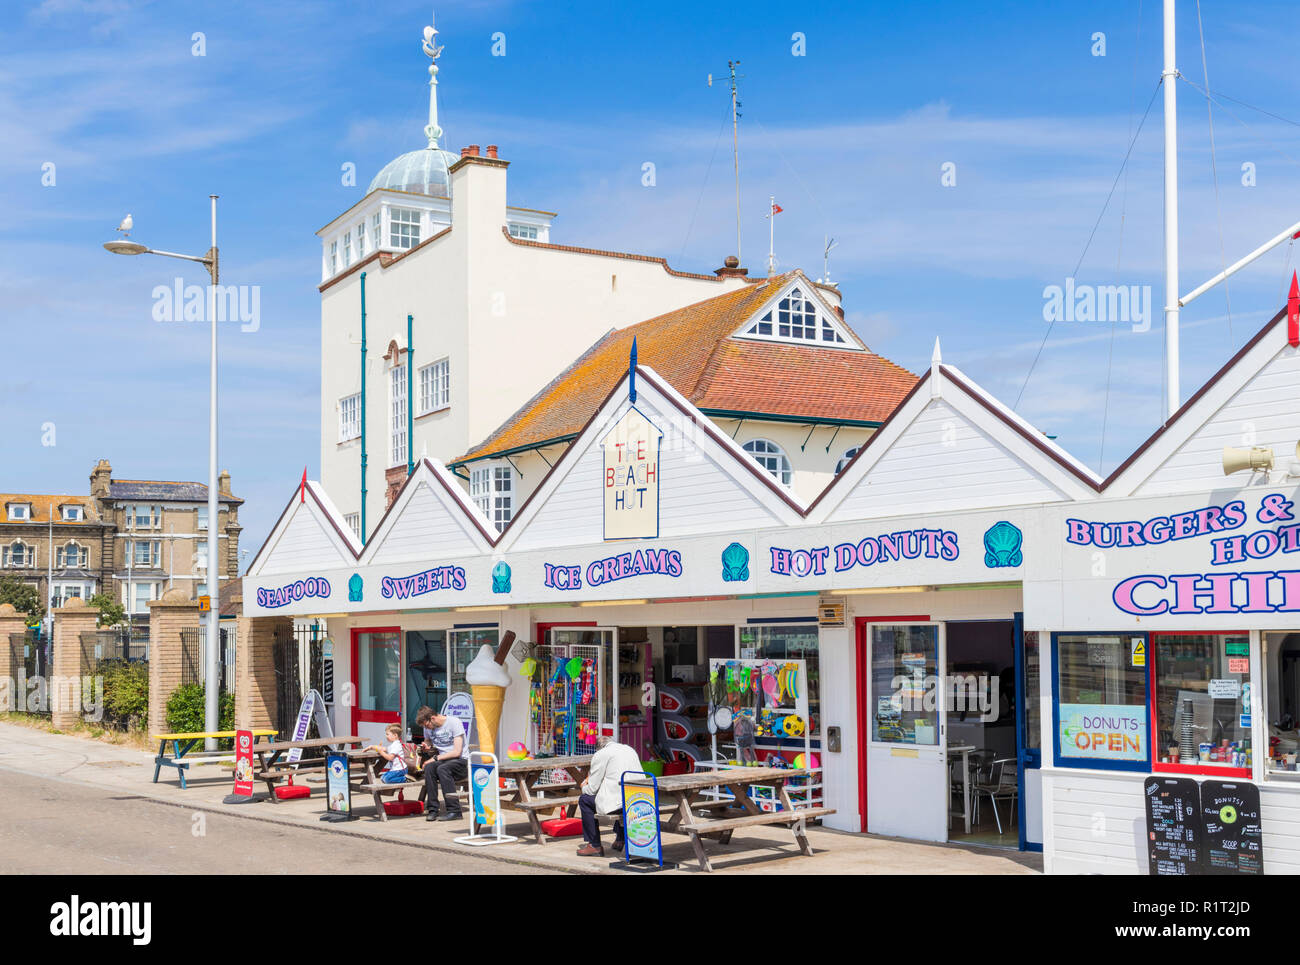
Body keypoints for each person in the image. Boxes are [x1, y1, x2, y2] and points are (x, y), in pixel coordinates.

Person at [576, 735, 641, 857]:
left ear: (598, 748)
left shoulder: (601, 754)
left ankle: (594, 845)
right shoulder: (629, 749)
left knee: (584, 799)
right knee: (620, 797)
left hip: (619, 802)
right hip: (638, 798)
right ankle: (620, 839)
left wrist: (583, 786)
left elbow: (592, 789)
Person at [415, 705, 467, 821]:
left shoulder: (454, 722)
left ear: (432, 718)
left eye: (426, 725)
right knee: (429, 767)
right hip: (443, 760)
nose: (427, 728)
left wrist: (435, 758)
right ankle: (433, 809)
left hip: (461, 761)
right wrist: (426, 745)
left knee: (442, 769)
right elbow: (427, 739)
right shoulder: (428, 727)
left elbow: (457, 752)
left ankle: (455, 811)